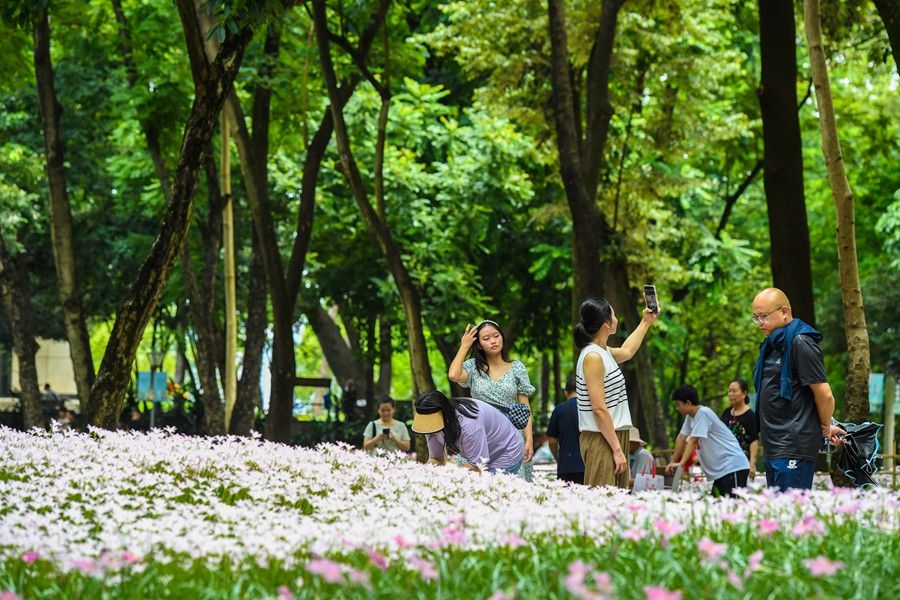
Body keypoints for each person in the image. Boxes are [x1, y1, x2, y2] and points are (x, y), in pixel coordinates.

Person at [751, 288, 845, 490]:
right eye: (756, 318)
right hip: (773, 444)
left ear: (784, 312)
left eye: (763, 317)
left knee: (792, 515)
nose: (759, 323)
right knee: (777, 516)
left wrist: (826, 426)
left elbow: (824, 394)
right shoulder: (770, 346)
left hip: (794, 444)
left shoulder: (801, 342)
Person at [575, 296, 659, 488]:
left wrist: (646, 321)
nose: (616, 317)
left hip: (613, 435)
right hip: (600, 437)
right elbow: (598, 408)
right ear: (606, 323)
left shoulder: (604, 352)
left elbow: (627, 351)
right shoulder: (593, 356)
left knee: (617, 502)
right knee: (603, 501)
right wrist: (616, 449)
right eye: (613, 314)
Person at [448, 319, 536, 475]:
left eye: (496, 336)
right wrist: (465, 345)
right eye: (486, 338)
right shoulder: (472, 367)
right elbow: (454, 375)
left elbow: (524, 407)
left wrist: (529, 438)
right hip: (480, 432)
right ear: (479, 344)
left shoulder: (517, 368)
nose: (493, 341)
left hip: (511, 436)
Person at [411, 390, 524, 475]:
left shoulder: (468, 425)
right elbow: (436, 459)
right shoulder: (429, 424)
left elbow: (478, 467)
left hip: (506, 450)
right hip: (484, 455)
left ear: (444, 414)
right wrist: (423, 474)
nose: (428, 426)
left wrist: (448, 473)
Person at [666, 385, 750, 497]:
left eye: (678, 405)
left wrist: (681, 463)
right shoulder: (690, 417)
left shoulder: (703, 414)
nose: (677, 408)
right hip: (723, 471)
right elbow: (681, 437)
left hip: (732, 466)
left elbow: (693, 440)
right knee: (716, 508)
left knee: (731, 508)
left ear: (688, 403)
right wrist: (673, 462)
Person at [547, 374, 585, 484]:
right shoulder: (590, 409)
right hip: (588, 464)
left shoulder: (559, 410)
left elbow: (552, 441)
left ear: (565, 392)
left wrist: (558, 457)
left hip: (566, 465)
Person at [720, 378, 759, 480]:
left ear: (744, 393)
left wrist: (752, 463)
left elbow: (754, 441)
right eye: (729, 391)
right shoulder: (726, 413)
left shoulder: (750, 415)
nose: (731, 394)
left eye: (734, 391)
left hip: (742, 464)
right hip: (725, 464)